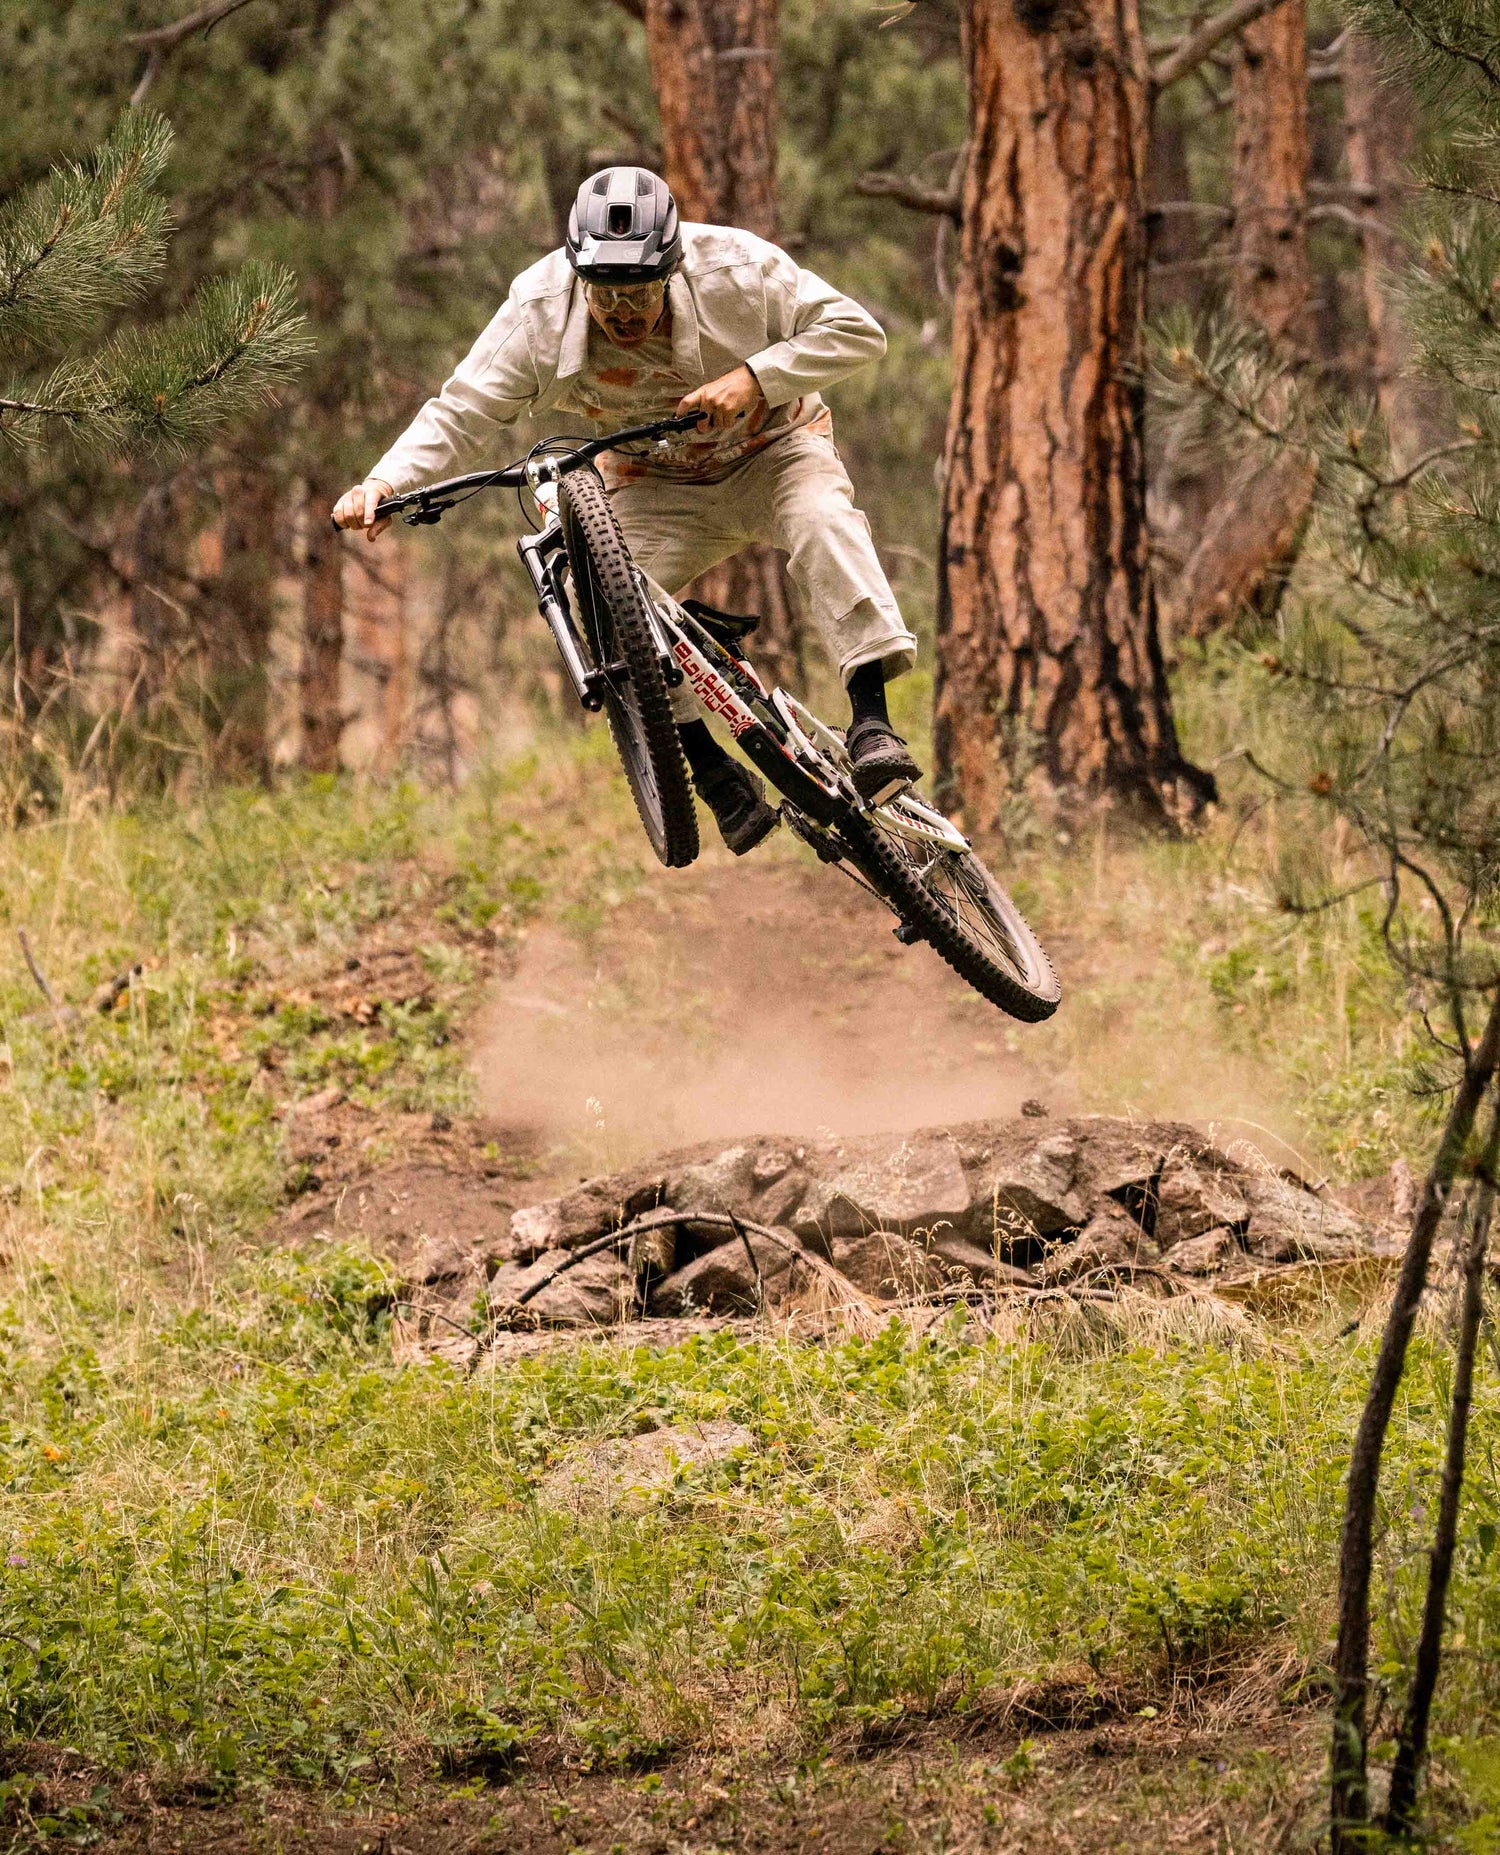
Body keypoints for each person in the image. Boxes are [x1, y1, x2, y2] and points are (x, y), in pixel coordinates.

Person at [333, 165, 920, 854]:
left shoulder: (737, 267)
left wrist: (755, 377)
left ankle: (872, 722)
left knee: (823, 522)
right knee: (599, 594)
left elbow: (858, 331)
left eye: (638, 291)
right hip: (651, 480)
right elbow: (462, 410)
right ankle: (708, 768)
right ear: (578, 277)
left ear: (672, 268)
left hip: (775, 449)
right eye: (604, 294)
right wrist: (384, 481)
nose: (622, 311)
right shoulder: (538, 310)